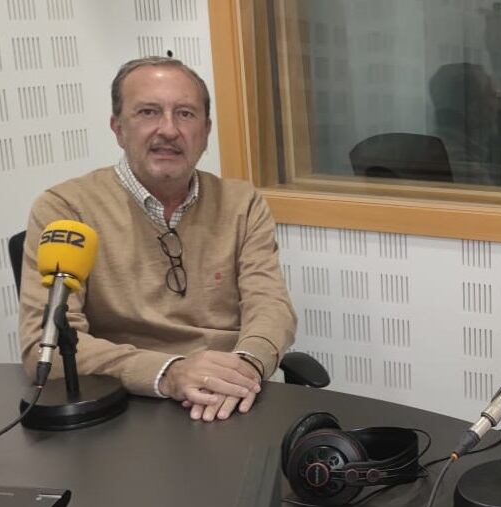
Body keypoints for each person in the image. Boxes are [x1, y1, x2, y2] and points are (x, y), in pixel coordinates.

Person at [18, 57, 297, 422]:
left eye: (185, 114)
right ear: (118, 128)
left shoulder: (241, 203)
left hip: (231, 395)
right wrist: (169, 372)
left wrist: (246, 365)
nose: (168, 129)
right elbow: (46, 346)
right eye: (148, 112)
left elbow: (271, 306)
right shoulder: (66, 208)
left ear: (206, 131)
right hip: (128, 404)